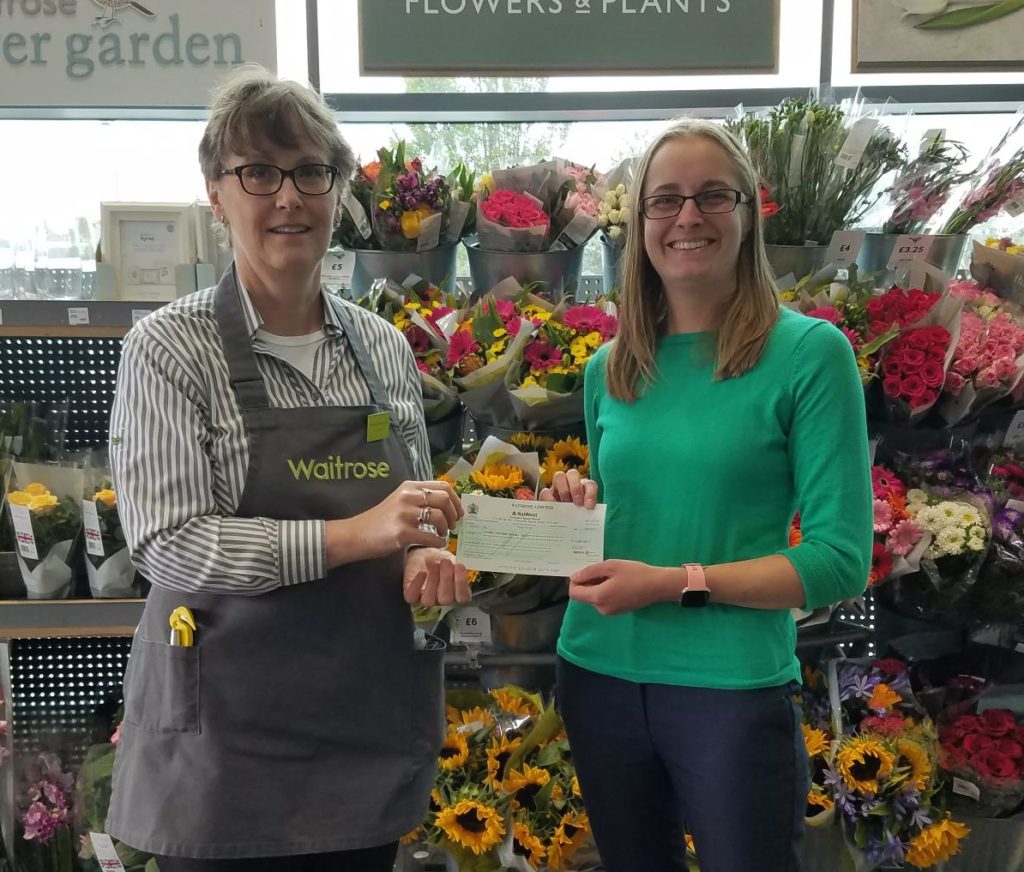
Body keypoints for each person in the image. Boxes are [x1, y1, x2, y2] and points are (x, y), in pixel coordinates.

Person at [105, 65, 470, 872]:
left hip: (363, 737)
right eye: (259, 172)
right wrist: (350, 535)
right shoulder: (168, 348)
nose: (288, 198)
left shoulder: (380, 347)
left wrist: (424, 550)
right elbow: (168, 544)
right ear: (216, 192)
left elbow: (402, 515)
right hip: (225, 750)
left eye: (312, 172)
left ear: (339, 192)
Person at [541, 119, 873, 872]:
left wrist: (675, 584)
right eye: (665, 200)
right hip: (596, 673)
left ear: (749, 212)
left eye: (711, 196)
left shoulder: (810, 355)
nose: (687, 217)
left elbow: (839, 560)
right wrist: (570, 509)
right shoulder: (609, 368)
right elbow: (624, 513)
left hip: (729, 688)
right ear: (640, 223)